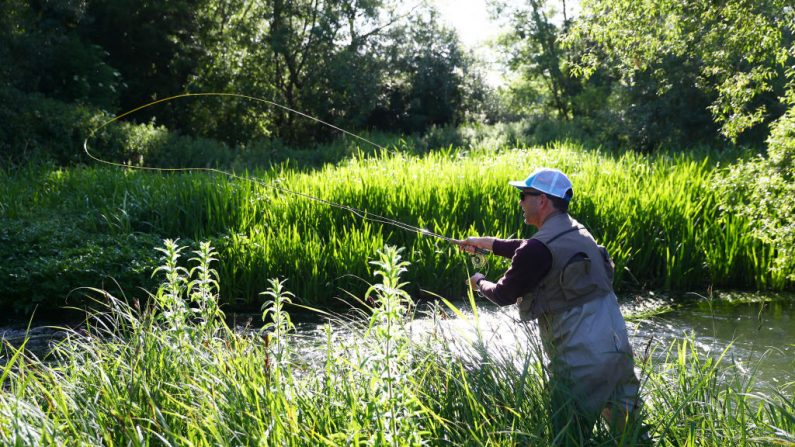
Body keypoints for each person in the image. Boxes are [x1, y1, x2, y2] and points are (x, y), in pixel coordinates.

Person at [458, 167, 646, 445]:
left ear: (542, 200)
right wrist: (482, 243)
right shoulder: (578, 232)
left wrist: (478, 281)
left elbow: (502, 294)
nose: (520, 201)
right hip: (618, 355)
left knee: (567, 439)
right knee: (632, 440)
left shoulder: (537, 249)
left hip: (580, 363)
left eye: (524, 195)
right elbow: (527, 248)